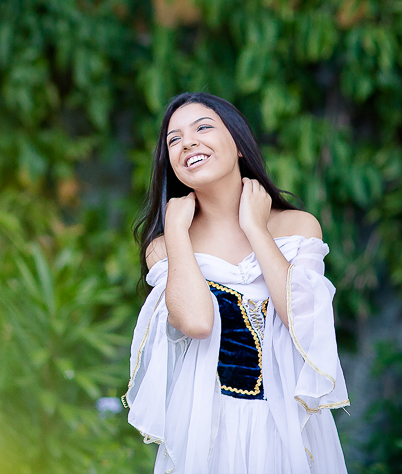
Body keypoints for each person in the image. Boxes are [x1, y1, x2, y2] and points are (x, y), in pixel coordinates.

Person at [123, 92, 349, 473]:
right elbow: (196, 322)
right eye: (174, 140)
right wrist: (177, 230)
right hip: (207, 437)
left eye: (203, 128)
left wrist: (255, 228)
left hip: (286, 435)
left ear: (239, 144)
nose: (188, 142)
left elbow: (301, 321)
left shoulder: (297, 227)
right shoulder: (166, 248)